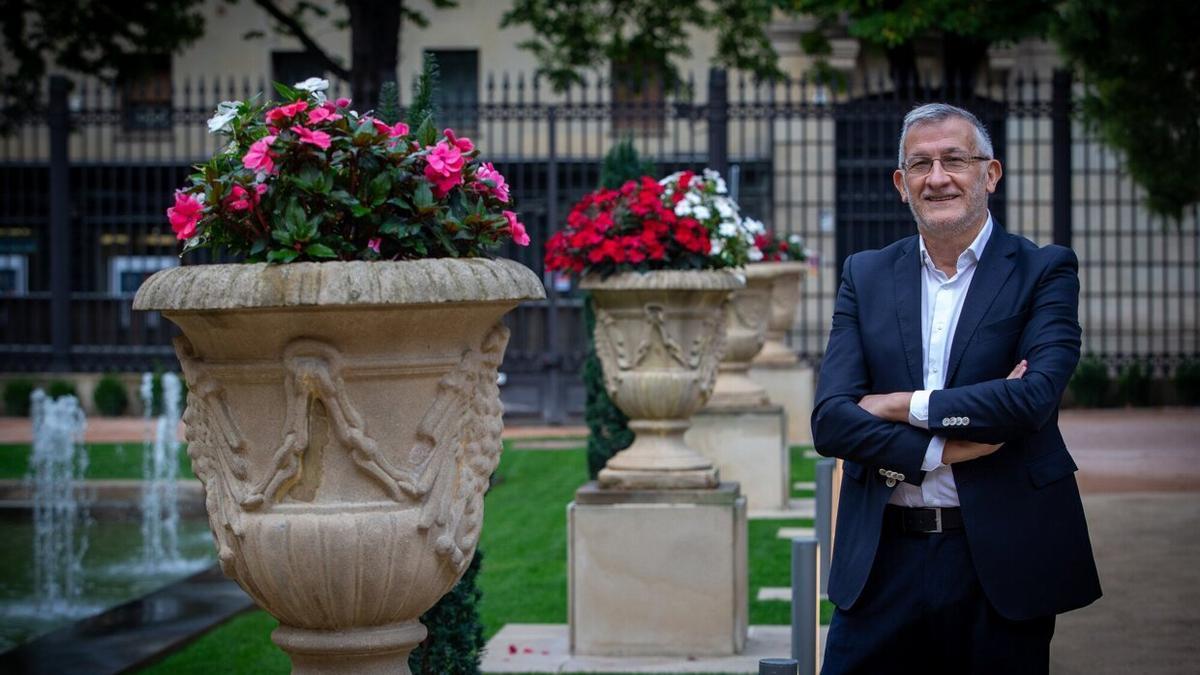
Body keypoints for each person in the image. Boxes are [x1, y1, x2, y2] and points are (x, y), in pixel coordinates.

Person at [812, 103, 1101, 674]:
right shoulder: (864, 275)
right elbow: (831, 421)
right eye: (920, 164)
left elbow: (1032, 399)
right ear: (901, 183)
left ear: (990, 174)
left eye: (954, 160)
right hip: (881, 560)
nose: (937, 177)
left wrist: (902, 405)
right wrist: (938, 448)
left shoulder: (1043, 271)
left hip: (999, 558)